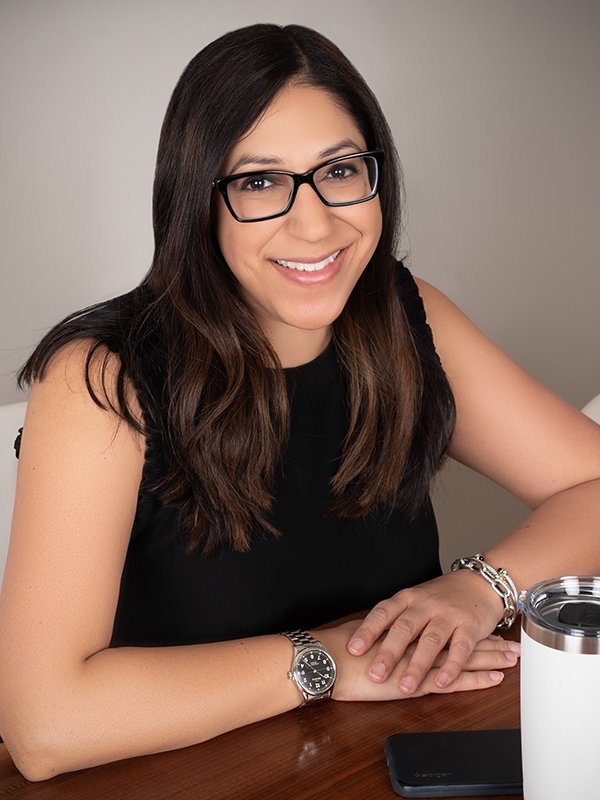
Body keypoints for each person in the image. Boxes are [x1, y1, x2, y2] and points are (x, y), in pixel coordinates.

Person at [0, 22, 599, 782]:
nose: (314, 223)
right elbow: (44, 726)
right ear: (197, 201)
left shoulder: (403, 314)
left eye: (341, 170)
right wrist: (330, 663)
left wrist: (479, 587)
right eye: (259, 182)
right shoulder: (98, 380)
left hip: (378, 754)